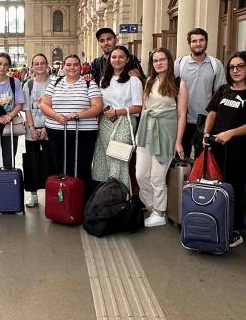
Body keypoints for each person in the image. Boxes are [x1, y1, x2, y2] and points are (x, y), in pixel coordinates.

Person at [203, 51, 246, 248]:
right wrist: (206, 133)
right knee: (215, 186)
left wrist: (230, 133)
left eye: (240, 66)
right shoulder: (223, 90)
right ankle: (215, 222)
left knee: (234, 188)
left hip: (239, 150)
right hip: (216, 146)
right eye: (232, 67)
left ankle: (234, 229)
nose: (236, 70)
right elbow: (212, 112)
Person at [38, 54, 103, 204]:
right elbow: (44, 104)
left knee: (82, 166)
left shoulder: (89, 84)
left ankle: (81, 202)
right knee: (61, 165)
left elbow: (98, 106)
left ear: (81, 67)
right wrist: (55, 115)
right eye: (68, 64)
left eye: (75, 64)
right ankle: (63, 202)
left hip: (85, 132)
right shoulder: (55, 82)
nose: (72, 67)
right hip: (57, 131)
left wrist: (80, 115)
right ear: (64, 67)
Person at [135, 48, 188, 227]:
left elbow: (182, 115)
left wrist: (178, 141)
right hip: (146, 132)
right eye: (155, 60)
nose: (158, 63)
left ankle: (159, 212)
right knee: (141, 174)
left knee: (157, 177)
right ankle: (151, 206)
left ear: (169, 61)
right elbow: (144, 108)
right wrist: (139, 134)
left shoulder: (178, 83)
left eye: (162, 59)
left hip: (166, 133)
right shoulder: (149, 81)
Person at [92, 45, 143, 189]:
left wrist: (117, 112)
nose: (117, 59)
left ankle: (120, 197)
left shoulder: (133, 80)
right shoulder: (104, 79)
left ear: (127, 60)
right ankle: (105, 196)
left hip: (124, 123)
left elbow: (138, 107)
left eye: (121, 57)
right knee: (103, 160)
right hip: (106, 123)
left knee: (118, 160)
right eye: (114, 57)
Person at [174, 28, 225, 159]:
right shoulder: (179, 64)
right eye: (194, 41)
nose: (198, 43)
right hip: (182, 121)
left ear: (206, 42)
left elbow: (220, 94)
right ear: (189, 44)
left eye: (201, 40)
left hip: (205, 121)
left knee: (202, 161)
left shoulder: (216, 64)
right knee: (180, 160)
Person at [22, 53, 55, 207]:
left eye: (43, 63)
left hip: (51, 128)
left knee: (52, 161)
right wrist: (32, 128)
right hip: (32, 129)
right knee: (32, 162)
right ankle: (33, 194)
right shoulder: (28, 85)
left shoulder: (55, 83)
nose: (40, 66)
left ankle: (52, 194)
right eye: (37, 63)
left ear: (47, 65)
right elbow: (27, 108)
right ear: (32, 66)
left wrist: (47, 127)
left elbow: (57, 107)